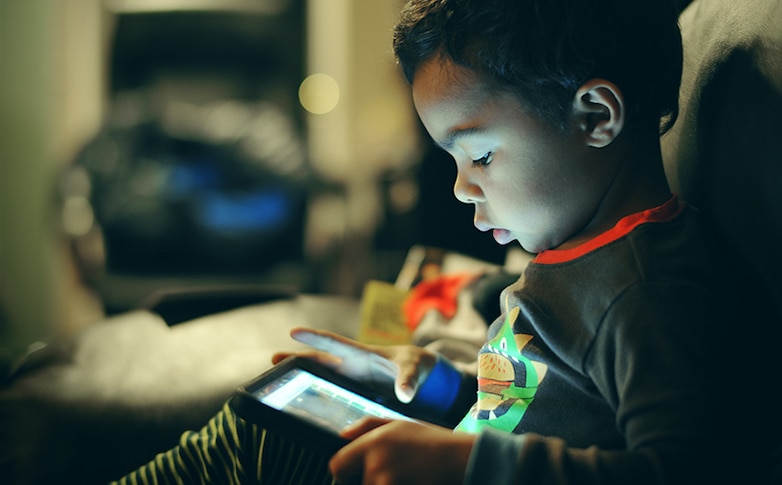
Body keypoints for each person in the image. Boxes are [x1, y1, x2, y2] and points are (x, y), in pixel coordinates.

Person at [114, 0, 742, 483]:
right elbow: (518, 401)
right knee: (264, 428)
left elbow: (685, 472)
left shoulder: (648, 288)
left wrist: (465, 468)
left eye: (482, 155)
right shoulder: (567, 258)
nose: (463, 189)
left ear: (596, 117)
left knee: (259, 443)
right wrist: (424, 378)